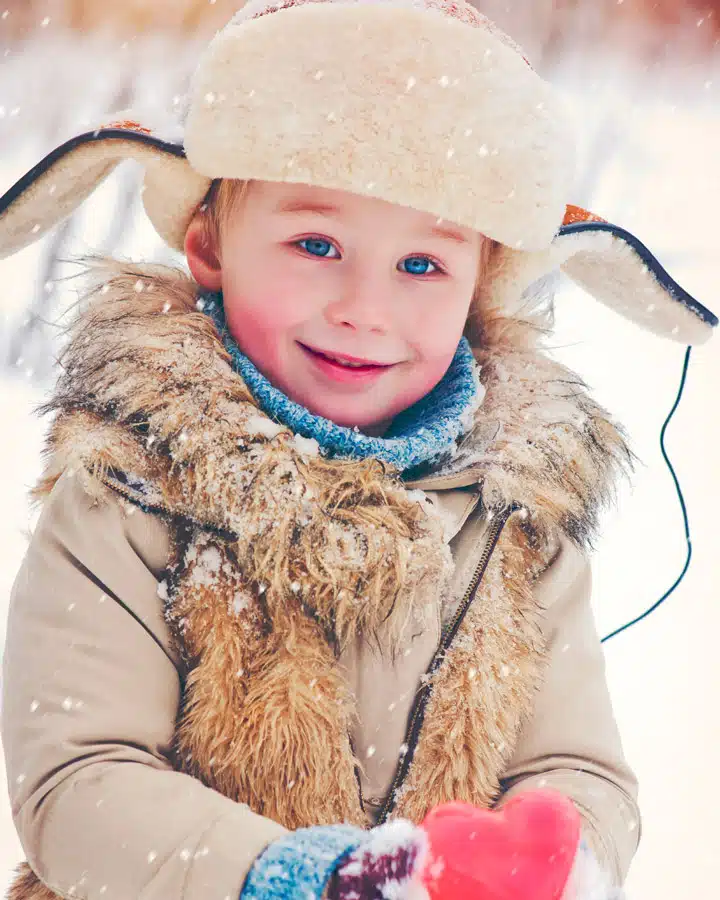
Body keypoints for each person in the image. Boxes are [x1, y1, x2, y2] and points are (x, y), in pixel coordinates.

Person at [0, 1, 716, 899]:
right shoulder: (130, 496)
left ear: (480, 286)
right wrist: (314, 879)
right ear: (210, 244)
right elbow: (79, 785)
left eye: (422, 265)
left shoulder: (515, 520)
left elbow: (578, 768)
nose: (364, 309)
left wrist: (558, 862)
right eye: (316, 243)